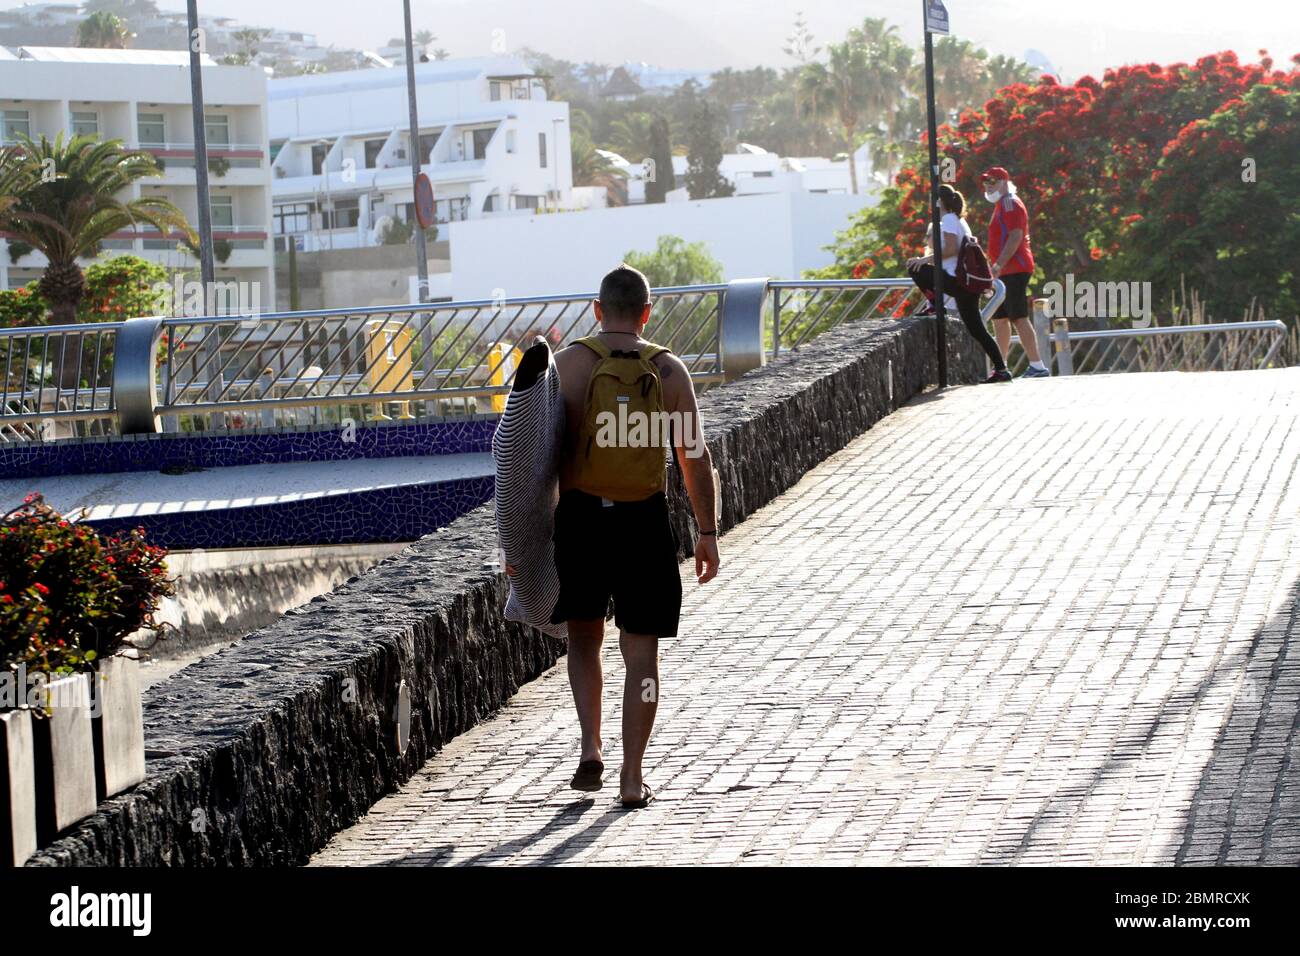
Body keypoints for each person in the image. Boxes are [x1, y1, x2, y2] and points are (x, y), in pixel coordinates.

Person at [550, 263, 721, 809]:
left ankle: (589, 745)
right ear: (647, 312)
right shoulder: (669, 371)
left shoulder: (568, 366)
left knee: (584, 639)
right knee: (641, 657)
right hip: (643, 521)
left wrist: (519, 542)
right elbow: (694, 457)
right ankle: (631, 775)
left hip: (581, 519)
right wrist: (707, 531)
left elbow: (529, 461)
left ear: (597, 310)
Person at [907, 184, 1011, 384]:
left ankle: (934, 305)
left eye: (933, 201)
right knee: (977, 329)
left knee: (914, 268)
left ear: (939, 202)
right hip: (966, 284)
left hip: (956, 280)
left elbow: (952, 249)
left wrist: (924, 260)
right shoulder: (959, 220)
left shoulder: (947, 219)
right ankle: (1002, 369)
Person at [981, 166, 1049, 378]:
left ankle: (1038, 366)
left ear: (1003, 182)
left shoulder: (1009, 202)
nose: (988, 185)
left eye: (992, 181)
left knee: (1018, 316)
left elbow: (1015, 236)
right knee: (999, 319)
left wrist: (999, 263)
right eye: (986, 182)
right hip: (1003, 271)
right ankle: (1001, 368)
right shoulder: (1002, 205)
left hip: (1014, 268)